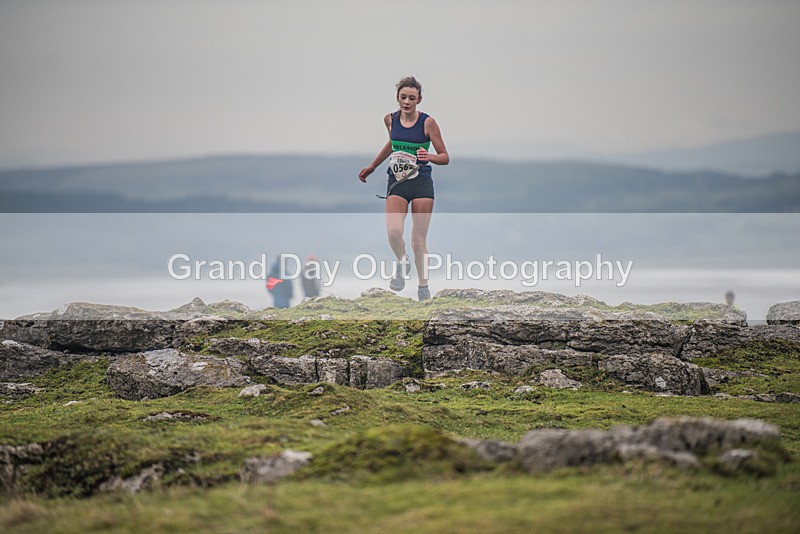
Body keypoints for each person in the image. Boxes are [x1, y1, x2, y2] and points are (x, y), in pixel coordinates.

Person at [358, 76, 449, 301]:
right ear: (397, 98)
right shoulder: (390, 120)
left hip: (421, 183)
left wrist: (429, 156)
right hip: (397, 182)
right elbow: (393, 143)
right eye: (403, 97)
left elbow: (445, 157)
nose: (407, 102)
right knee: (394, 232)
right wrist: (372, 166)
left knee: (418, 241)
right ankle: (402, 262)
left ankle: (423, 287)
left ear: (419, 99)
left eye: (412, 98)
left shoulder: (428, 123)